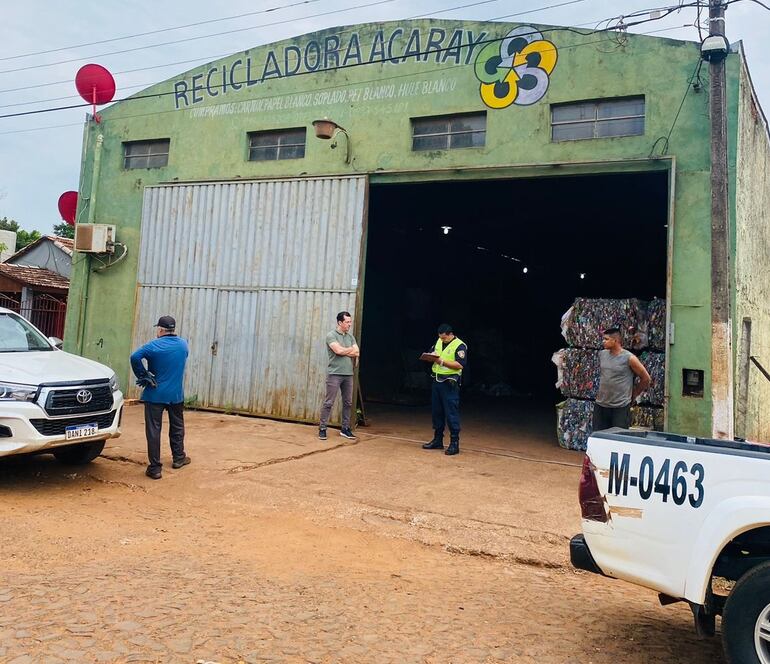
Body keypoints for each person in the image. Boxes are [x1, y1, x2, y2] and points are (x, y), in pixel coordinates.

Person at [130, 315, 191, 480]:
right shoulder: (183, 344)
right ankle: (179, 458)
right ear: (173, 329)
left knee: (154, 431)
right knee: (177, 426)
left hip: (155, 394)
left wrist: (143, 375)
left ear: (161, 330)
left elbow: (134, 357)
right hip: (176, 395)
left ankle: (155, 468)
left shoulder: (153, 346)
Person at [593, 327, 651, 431]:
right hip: (601, 404)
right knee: (599, 437)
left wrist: (634, 395)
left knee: (618, 439)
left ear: (615, 341)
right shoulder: (602, 355)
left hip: (620, 407)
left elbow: (646, 378)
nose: (603, 342)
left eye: (606, 339)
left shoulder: (629, 358)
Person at [422, 323, 467, 456]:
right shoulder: (439, 341)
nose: (441, 340)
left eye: (444, 338)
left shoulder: (459, 345)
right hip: (436, 380)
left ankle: (454, 443)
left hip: (449, 383)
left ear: (450, 334)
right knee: (437, 411)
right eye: (440, 338)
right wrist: (430, 356)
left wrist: (441, 361)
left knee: (451, 412)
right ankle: (437, 439)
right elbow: (432, 352)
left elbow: (460, 364)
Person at [319, 311, 359, 441]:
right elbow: (337, 351)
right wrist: (348, 350)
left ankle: (345, 428)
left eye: (350, 322)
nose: (349, 324)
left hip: (348, 374)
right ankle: (323, 428)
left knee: (348, 402)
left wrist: (344, 351)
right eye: (347, 322)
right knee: (329, 402)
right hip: (335, 374)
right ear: (340, 322)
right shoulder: (331, 335)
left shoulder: (350, 337)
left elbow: (357, 352)